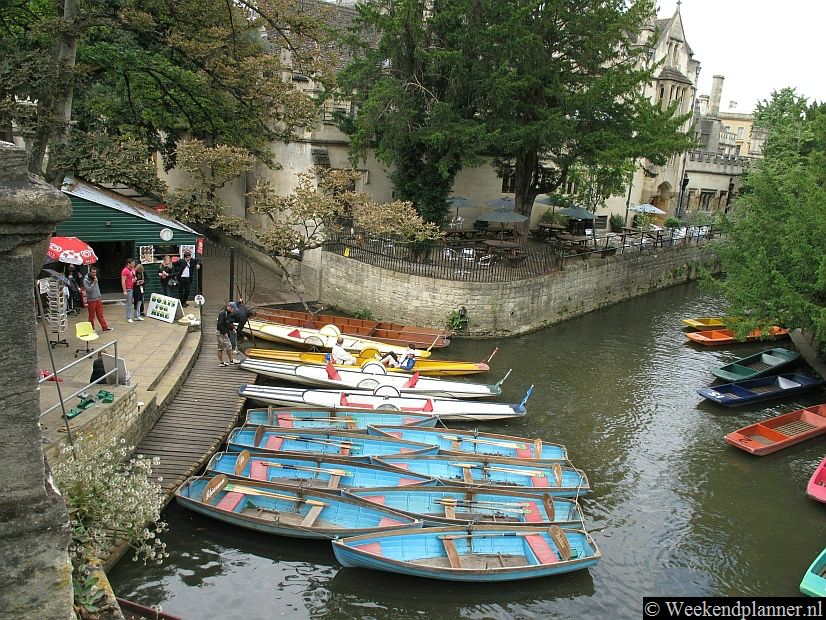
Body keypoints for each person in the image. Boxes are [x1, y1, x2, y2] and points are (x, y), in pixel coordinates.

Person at [83, 266, 112, 332]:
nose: (94, 274)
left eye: (95, 272)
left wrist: (99, 296)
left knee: (100, 314)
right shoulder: (85, 280)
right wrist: (94, 283)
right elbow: (89, 290)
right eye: (93, 272)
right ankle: (91, 329)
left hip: (97, 298)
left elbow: (97, 288)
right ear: (89, 272)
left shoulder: (95, 277)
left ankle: (105, 327)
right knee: (91, 316)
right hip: (91, 300)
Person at [121, 258, 136, 323]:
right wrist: (124, 290)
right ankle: (128, 317)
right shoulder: (125, 270)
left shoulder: (133, 269)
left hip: (134, 287)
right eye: (132, 263)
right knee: (129, 303)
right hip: (128, 288)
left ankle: (136, 315)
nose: (134, 264)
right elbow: (123, 281)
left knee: (134, 302)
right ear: (128, 264)